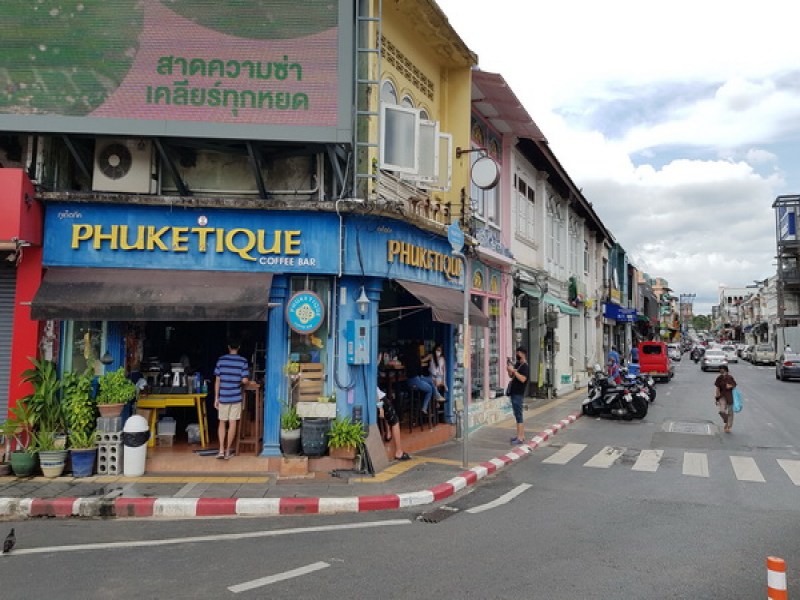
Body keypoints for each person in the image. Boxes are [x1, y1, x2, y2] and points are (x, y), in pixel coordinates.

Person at [213, 338, 250, 459]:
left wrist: (216, 398)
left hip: (223, 396)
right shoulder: (243, 361)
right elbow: (245, 380)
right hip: (235, 396)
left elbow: (217, 380)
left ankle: (221, 450)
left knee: (222, 422)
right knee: (232, 422)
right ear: (239, 347)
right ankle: (228, 451)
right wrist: (241, 381)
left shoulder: (221, 360)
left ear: (228, 346)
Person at [400, 341, 442, 415]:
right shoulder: (417, 358)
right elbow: (419, 372)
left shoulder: (406, 358)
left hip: (409, 381)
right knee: (430, 389)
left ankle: (437, 396)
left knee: (431, 380)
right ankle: (424, 408)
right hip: (416, 381)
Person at [377, 387, 410, 461]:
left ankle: (388, 433)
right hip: (380, 398)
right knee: (395, 421)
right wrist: (380, 406)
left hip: (375, 400)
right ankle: (399, 452)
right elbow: (373, 389)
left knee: (388, 416)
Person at [506, 347, 529, 445]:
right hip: (513, 392)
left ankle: (520, 438)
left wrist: (514, 371)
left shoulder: (525, 367)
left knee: (519, 415)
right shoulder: (518, 364)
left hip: (518, 394)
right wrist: (509, 370)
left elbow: (523, 379)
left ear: (523, 354)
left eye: (518, 353)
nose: (517, 355)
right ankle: (520, 435)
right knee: (517, 415)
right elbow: (511, 376)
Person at [714, 365, 737, 433]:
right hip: (722, 396)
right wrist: (717, 398)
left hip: (730, 396)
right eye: (720, 369)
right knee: (722, 411)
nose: (721, 371)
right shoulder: (719, 378)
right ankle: (727, 420)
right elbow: (717, 388)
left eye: (722, 369)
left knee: (730, 412)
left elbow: (734, 385)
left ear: (726, 370)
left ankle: (728, 426)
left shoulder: (730, 377)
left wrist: (730, 386)